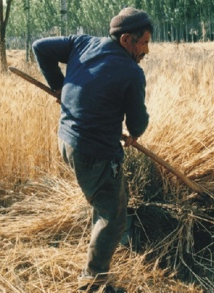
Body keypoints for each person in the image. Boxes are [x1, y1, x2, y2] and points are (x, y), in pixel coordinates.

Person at [32, 7, 153, 293]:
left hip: (67, 141)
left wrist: (59, 87)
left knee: (105, 200)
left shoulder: (82, 43)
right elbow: (137, 123)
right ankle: (93, 282)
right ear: (126, 40)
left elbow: (40, 48)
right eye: (144, 42)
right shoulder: (131, 72)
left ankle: (98, 252)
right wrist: (135, 133)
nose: (147, 50)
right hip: (95, 152)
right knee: (114, 216)